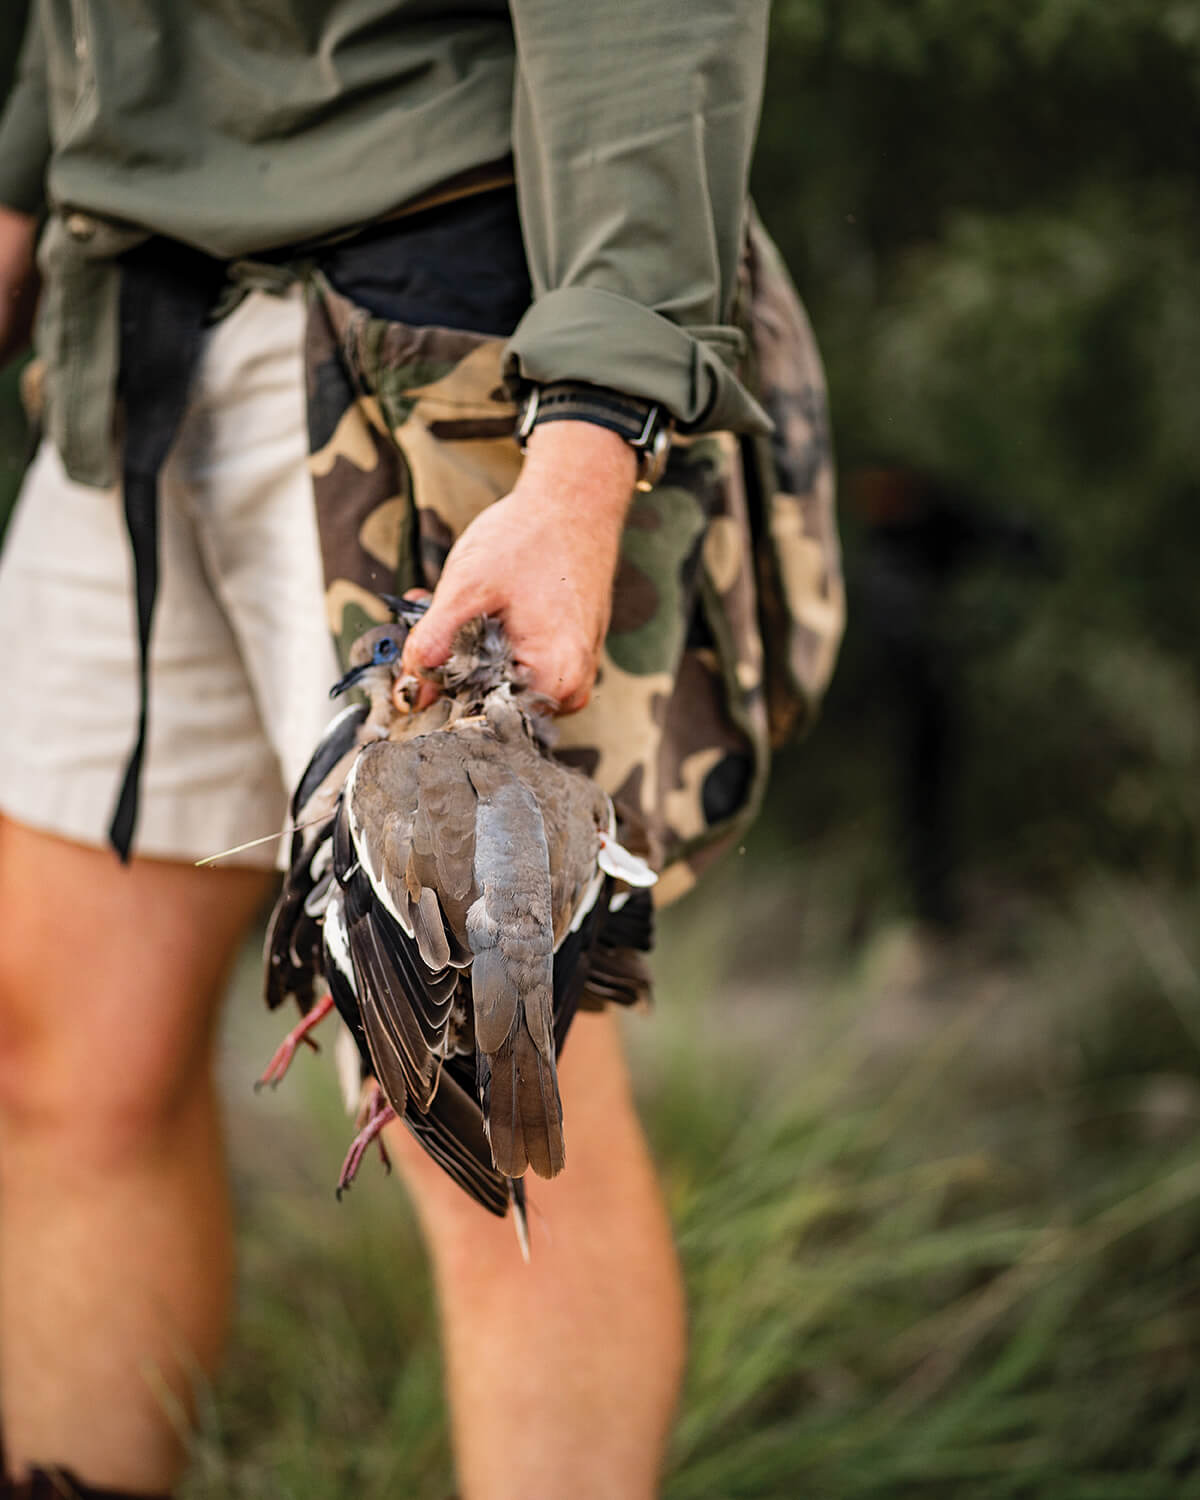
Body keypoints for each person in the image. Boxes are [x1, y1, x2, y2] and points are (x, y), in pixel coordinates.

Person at [0, 3, 840, 1496]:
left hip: (442, 334)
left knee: (478, 1107)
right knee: (59, 1055)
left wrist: (588, 445)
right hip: (131, 314)